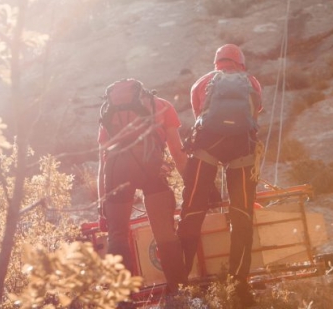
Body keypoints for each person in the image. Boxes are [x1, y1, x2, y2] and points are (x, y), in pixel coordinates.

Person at [177, 44, 262, 305]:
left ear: (216, 63)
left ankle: (179, 282)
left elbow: (200, 117)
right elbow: (254, 114)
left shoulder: (201, 83)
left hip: (207, 149)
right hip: (242, 150)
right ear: (240, 64)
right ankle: (239, 284)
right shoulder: (251, 82)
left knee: (192, 211)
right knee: (242, 214)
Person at [97, 78, 188, 295]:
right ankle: (179, 289)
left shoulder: (109, 111)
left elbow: (103, 160)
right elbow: (177, 150)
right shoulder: (162, 105)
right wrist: (191, 182)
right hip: (150, 165)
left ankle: (125, 297)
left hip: (116, 169)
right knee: (164, 230)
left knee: (117, 234)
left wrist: (102, 205)